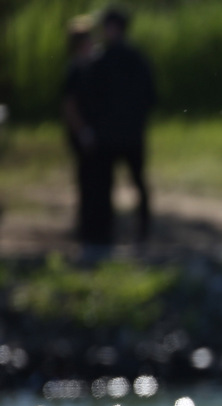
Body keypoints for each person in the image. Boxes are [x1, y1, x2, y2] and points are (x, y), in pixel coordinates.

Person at [80, 6, 156, 245]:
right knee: (131, 182)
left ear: (114, 28)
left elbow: (89, 99)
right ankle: (136, 231)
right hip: (128, 134)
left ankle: (111, 233)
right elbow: (152, 96)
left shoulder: (103, 60)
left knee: (112, 184)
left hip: (113, 136)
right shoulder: (136, 58)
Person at [62, 15, 96, 242]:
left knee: (92, 180)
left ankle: (91, 225)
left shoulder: (89, 66)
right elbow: (69, 106)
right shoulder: (75, 69)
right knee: (86, 180)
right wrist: (82, 131)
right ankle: (85, 228)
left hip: (88, 131)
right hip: (81, 134)